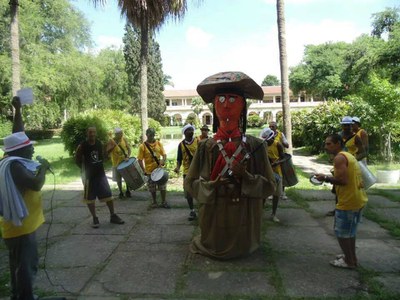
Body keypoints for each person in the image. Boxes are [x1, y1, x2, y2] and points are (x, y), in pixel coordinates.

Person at [184, 71, 276, 260]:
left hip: (244, 211)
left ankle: (243, 243)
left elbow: (270, 185)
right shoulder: (205, 146)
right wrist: (212, 185)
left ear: (242, 106)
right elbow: (190, 183)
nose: (226, 105)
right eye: (222, 99)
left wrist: (247, 177)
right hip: (215, 209)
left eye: (233, 100)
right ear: (214, 106)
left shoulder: (255, 145)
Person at [0, 97, 59, 299]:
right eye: (29, 146)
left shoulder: (11, 159)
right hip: (21, 228)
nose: (33, 148)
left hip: (21, 226)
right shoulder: (15, 166)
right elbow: (35, 184)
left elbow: (18, 134)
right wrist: (43, 167)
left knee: (19, 265)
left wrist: (18, 110)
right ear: (19, 150)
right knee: (26, 266)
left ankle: (19, 295)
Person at [315, 134, 367, 269]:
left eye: (329, 144)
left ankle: (349, 261)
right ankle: (351, 257)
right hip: (356, 198)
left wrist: (325, 178)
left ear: (338, 143)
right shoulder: (348, 155)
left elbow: (343, 181)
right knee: (350, 232)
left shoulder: (339, 158)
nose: (326, 147)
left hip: (349, 201)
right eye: (326, 144)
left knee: (342, 234)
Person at [75, 127, 125, 228]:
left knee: (108, 196)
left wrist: (110, 149)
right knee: (90, 199)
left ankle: (113, 215)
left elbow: (103, 157)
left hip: (100, 175)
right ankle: (95, 218)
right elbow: (77, 159)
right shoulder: (82, 146)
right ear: (87, 133)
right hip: (89, 177)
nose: (92, 134)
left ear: (96, 133)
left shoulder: (99, 143)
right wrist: (84, 170)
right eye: (90, 132)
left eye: (93, 132)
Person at [137, 127, 170, 209]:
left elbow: (164, 155)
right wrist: (143, 170)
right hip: (149, 171)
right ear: (146, 135)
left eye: (152, 135)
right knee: (152, 188)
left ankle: (163, 202)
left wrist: (163, 161)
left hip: (159, 170)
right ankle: (154, 202)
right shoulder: (143, 146)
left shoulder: (159, 144)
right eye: (149, 135)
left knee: (162, 186)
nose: (151, 136)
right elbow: (140, 160)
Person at [260, 127, 286, 222]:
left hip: (277, 172)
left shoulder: (277, 144)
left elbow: (284, 158)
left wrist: (276, 163)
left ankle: (273, 214)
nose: (267, 141)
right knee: (263, 193)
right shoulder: (262, 145)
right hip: (265, 172)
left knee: (276, 195)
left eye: (268, 140)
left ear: (272, 138)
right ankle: (260, 213)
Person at [174, 124, 198, 221]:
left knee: (200, 190)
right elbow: (179, 158)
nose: (191, 131)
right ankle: (192, 210)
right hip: (187, 172)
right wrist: (177, 167)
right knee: (188, 192)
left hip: (198, 170)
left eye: (192, 130)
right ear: (184, 133)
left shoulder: (198, 141)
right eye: (189, 130)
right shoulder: (181, 145)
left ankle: (202, 208)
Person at [106, 127, 132, 199]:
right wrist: (113, 146)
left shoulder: (124, 139)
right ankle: (121, 192)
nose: (121, 135)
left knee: (127, 177)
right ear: (116, 134)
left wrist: (128, 156)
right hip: (116, 163)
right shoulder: (111, 141)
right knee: (118, 179)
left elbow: (129, 149)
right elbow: (107, 151)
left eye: (121, 133)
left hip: (124, 161)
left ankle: (128, 191)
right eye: (119, 134)